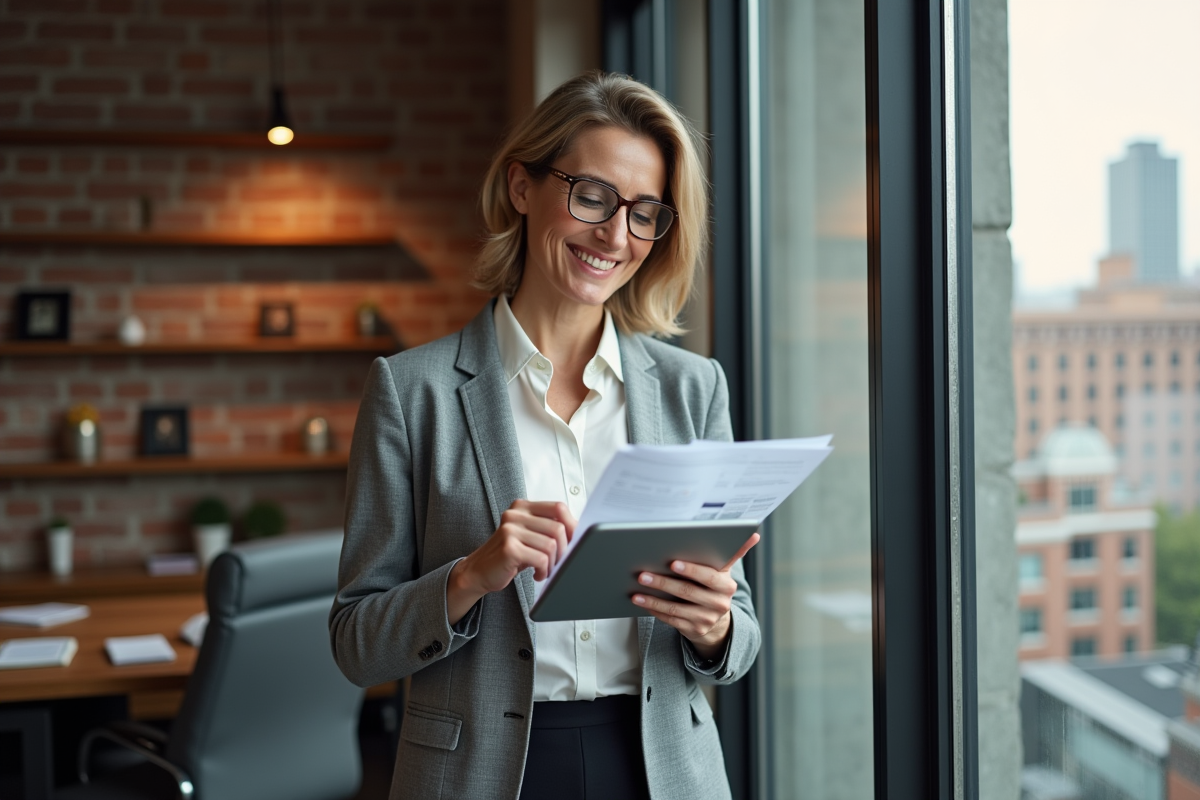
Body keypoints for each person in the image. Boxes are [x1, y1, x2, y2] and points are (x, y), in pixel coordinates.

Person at [329, 70, 761, 800]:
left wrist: (715, 625)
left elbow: (741, 635)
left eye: (645, 213)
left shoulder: (694, 390)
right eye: (592, 196)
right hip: (479, 773)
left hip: (662, 770)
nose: (615, 236)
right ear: (522, 187)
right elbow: (356, 643)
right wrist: (469, 577)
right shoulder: (411, 392)